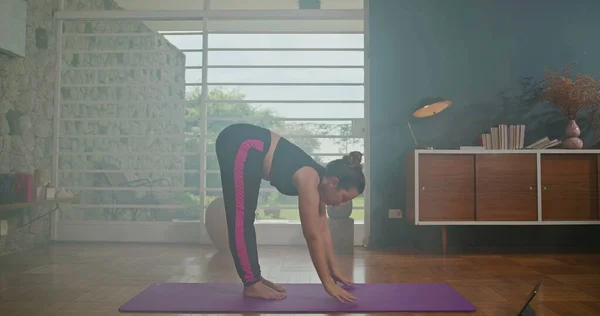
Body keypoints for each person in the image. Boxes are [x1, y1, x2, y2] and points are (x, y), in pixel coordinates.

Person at [215, 123, 365, 303]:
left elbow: (323, 230)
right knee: (241, 216)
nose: (342, 203)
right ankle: (251, 283)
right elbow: (312, 235)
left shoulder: (319, 181)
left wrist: (334, 271)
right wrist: (327, 284)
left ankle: (254, 277)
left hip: (249, 144)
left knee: (245, 216)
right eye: (344, 197)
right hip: (241, 141)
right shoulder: (309, 178)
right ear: (334, 182)